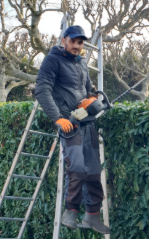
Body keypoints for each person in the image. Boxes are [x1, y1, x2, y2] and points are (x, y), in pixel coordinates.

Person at [35, 25, 110, 235]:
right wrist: (57, 117)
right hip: (70, 123)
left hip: (87, 122)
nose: (77, 46)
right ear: (64, 40)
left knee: (94, 169)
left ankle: (92, 215)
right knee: (76, 166)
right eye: (74, 41)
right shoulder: (53, 60)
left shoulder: (82, 63)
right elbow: (41, 89)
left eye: (80, 42)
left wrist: (92, 97)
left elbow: (88, 89)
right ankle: (71, 210)